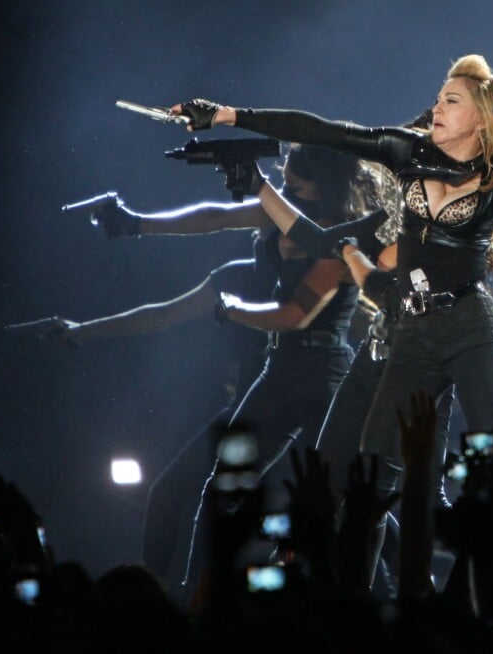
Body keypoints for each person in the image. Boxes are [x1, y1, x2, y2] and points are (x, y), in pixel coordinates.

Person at [170, 53, 493, 586]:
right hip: (405, 337)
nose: (436, 106)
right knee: (367, 477)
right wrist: (230, 115)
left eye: (451, 100)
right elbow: (325, 132)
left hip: (469, 326)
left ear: (482, 119)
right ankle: (351, 608)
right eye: (438, 97)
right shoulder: (408, 152)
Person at [42, 142, 381, 606]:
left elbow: (296, 313)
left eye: (297, 179)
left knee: (348, 495)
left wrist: (238, 311)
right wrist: (137, 223)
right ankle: (191, 603)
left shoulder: (337, 237)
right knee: (220, 488)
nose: (286, 185)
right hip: (279, 370)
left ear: (325, 185)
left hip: (324, 371)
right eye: (284, 178)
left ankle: (397, 600)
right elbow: (212, 216)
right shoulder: (271, 226)